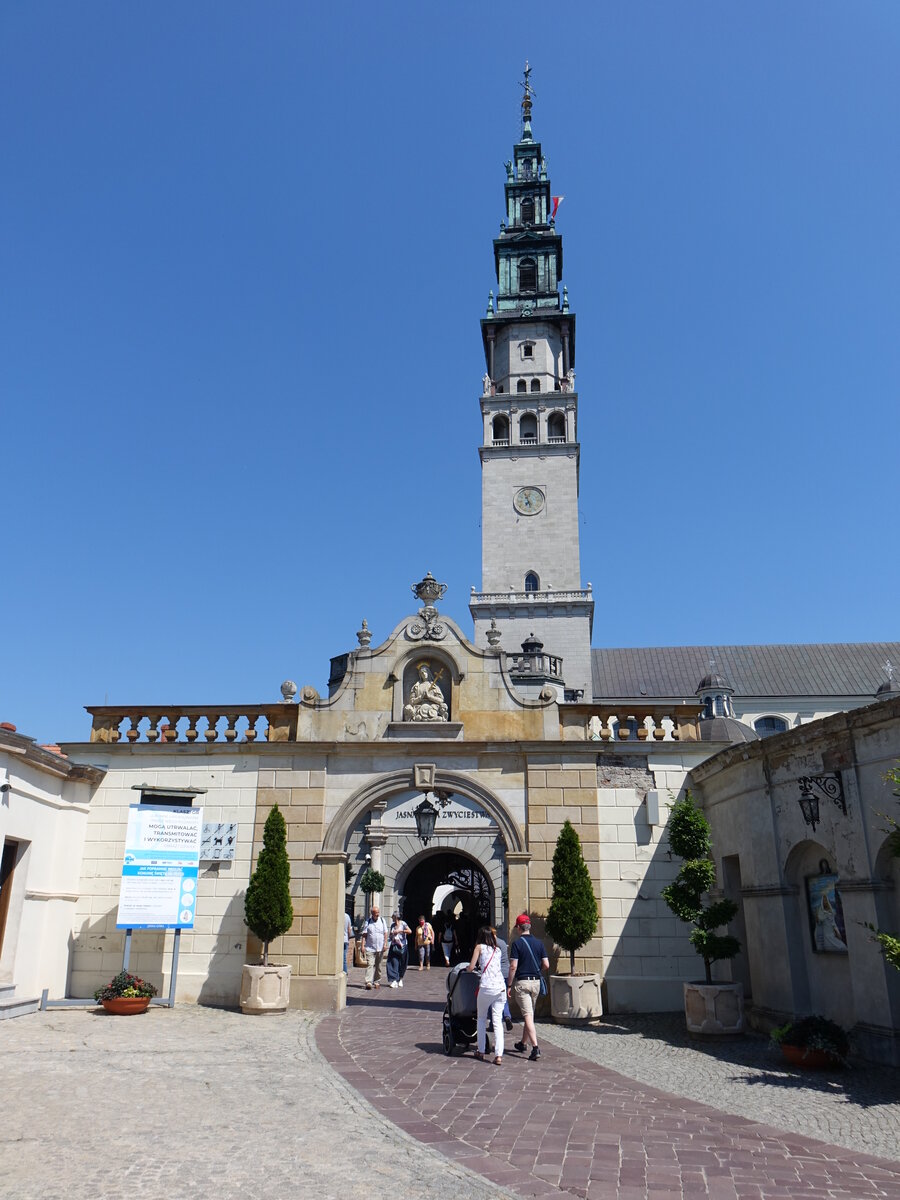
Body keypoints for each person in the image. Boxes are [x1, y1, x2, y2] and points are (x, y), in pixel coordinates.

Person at [507, 912, 549, 1061]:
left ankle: (536, 1048)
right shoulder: (539, 943)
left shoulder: (517, 944)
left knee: (528, 1015)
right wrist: (536, 970)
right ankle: (523, 1043)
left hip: (522, 983)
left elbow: (513, 966)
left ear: (519, 927)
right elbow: (546, 965)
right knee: (529, 1014)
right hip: (536, 983)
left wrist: (509, 984)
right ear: (529, 926)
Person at [466, 925, 505, 1065]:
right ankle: (499, 1055)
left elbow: (471, 967)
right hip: (500, 988)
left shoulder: (479, 947)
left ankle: (481, 1050)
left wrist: (467, 969)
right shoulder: (498, 950)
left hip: (487, 987)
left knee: (481, 1018)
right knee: (497, 1022)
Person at [493, 927, 515, 1032]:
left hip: (496, 973)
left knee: (492, 999)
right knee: (503, 997)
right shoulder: (502, 942)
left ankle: (494, 1023)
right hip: (506, 972)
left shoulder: (490, 944)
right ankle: (507, 1015)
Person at [362, 905, 389, 990]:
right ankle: (368, 982)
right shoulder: (368, 922)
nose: (377, 915)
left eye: (378, 913)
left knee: (378, 966)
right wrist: (362, 946)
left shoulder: (382, 920)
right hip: (370, 947)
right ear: (372, 914)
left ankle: (377, 981)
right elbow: (364, 935)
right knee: (370, 964)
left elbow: (385, 933)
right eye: (375, 913)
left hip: (380, 948)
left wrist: (385, 944)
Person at [386, 912, 412, 987]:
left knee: (402, 964)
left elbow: (410, 931)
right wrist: (391, 935)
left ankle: (400, 978)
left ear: (396, 917)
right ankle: (394, 980)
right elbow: (390, 936)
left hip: (403, 947)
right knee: (393, 962)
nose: (391, 918)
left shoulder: (403, 923)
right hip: (394, 946)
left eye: (393, 917)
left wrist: (400, 931)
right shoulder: (392, 925)